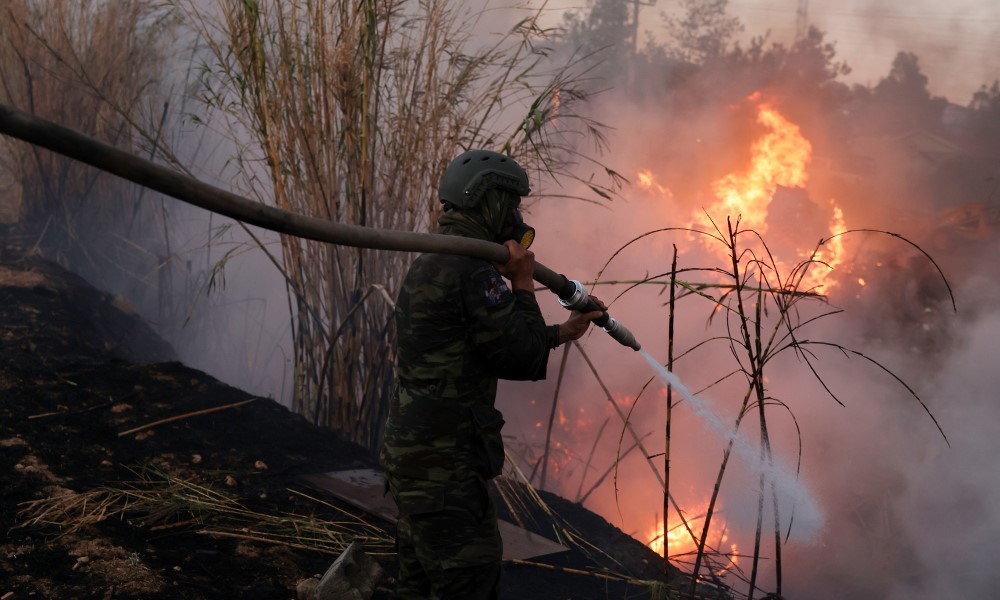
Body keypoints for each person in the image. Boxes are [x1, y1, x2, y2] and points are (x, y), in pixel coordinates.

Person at [379, 149, 605, 599]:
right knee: (470, 583)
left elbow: (486, 340)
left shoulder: (435, 261)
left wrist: (562, 332)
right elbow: (518, 356)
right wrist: (522, 282)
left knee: (418, 587)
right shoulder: (469, 269)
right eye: (512, 203)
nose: (517, 216)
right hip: (447, 471)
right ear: (489, 200)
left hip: (416, 460)